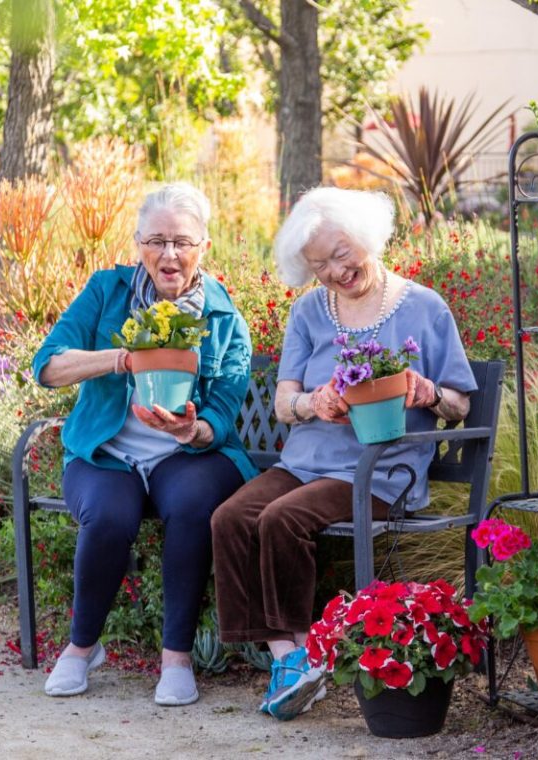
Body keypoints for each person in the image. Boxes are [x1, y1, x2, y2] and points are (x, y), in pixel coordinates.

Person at [210, 187, 477, 721]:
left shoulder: (424, 307)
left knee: (283, 519)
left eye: (341, 253)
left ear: (365, 237)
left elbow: (460, 401)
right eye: (319, 265)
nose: (336, 270)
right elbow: (285, 403)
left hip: (380, 473)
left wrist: (427, 394)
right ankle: (291, 656)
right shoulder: (309, 311)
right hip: (305, 462)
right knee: (230, 517)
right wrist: (314, 400)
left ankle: (302, 660)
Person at [30, 182, 258, 705]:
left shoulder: (223, 319)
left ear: (204, 246)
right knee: (109, 516)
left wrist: (193, 430)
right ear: (138, 244)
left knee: (193, 502)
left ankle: (176, 657)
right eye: (156, 240)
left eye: (181, 241)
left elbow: (223, 411)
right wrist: (121, 358)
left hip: (188, 455)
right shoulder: (107, 292)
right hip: (108, 453)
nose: (168, 254)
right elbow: (48, 364)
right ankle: (81, 647)